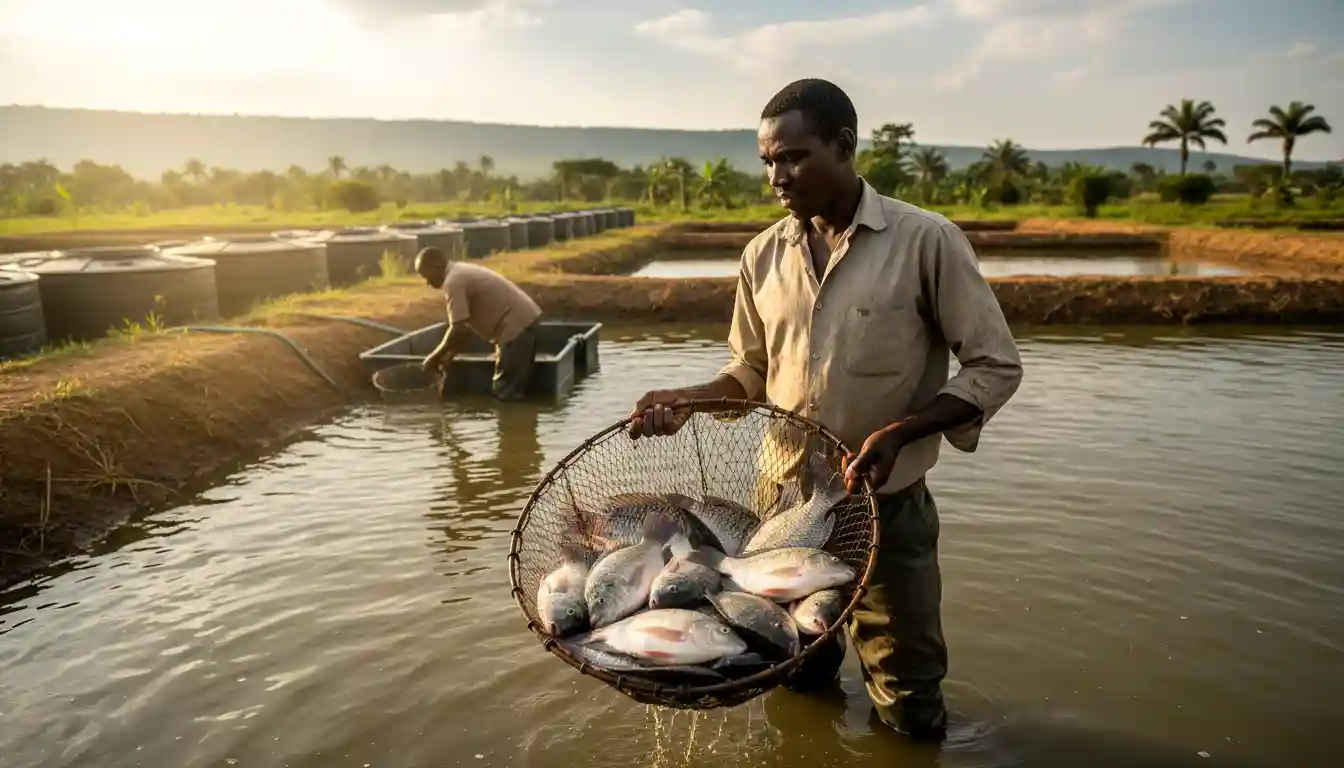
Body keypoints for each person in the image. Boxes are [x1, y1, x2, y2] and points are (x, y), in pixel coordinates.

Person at [627, 79, 1024, 742]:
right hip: (782, 504)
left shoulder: (925, 242)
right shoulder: (761, 256)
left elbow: (995, 365)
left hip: (884, 506)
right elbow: (751, 372)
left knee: (908, 690)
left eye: (794, 157)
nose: (777, 176)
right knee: (795, 667)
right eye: (768, 162)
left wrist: (903, 430)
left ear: (845, 147)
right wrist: (688, 402)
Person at [415, 247, 543, 401]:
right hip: (523, 321)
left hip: (514, 327)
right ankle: (521, 422)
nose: (427, 283)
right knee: (514, 391)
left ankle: (510, 423)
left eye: (426, 276)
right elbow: (466, 329)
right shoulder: (459, 271)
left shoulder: (453, 281)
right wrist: (449, 355)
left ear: (435, 266)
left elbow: (458, 330)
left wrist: (433, 358)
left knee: (504, 394)